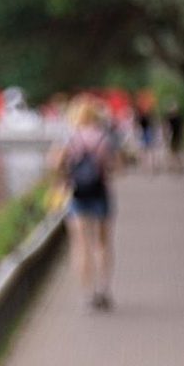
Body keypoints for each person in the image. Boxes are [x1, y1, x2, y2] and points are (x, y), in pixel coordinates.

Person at [55, 111, 117, 306]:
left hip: (78, 194)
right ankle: (103, 288)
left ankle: (85, 293)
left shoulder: (70, 139)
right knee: (102, 244)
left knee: (81, 245)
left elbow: (54, 162)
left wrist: (66, 174)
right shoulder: (104, 138)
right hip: (100, 193)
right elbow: (116, 166)